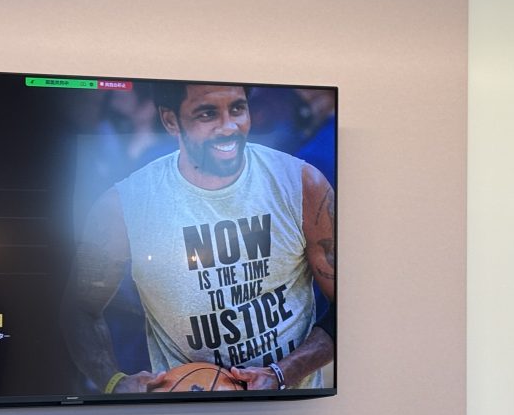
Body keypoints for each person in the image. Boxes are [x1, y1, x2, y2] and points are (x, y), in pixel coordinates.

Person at [62, 83, 335, 393]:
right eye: (207, 114)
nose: (228, 127)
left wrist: (282, 373)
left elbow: (348, 305)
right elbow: (80, 308)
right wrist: (113, 382)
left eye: (237, 109)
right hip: (184, 411)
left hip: (292, 410)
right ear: (170, 121)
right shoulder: (124, 205)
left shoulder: (300, 183)